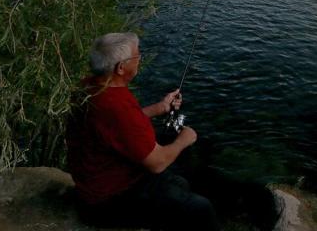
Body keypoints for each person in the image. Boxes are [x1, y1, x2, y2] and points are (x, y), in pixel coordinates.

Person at [66, 32, 219, 231]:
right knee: (201, 208)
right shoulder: (118, 106)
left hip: (94, 187)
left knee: (179, 182)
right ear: (121, 68)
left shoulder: (89, 87)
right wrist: (184, 139)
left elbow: (113, 128)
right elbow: (157, 163)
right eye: (137, 56)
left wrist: (159, 108)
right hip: (108, 202)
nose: (140, 60)